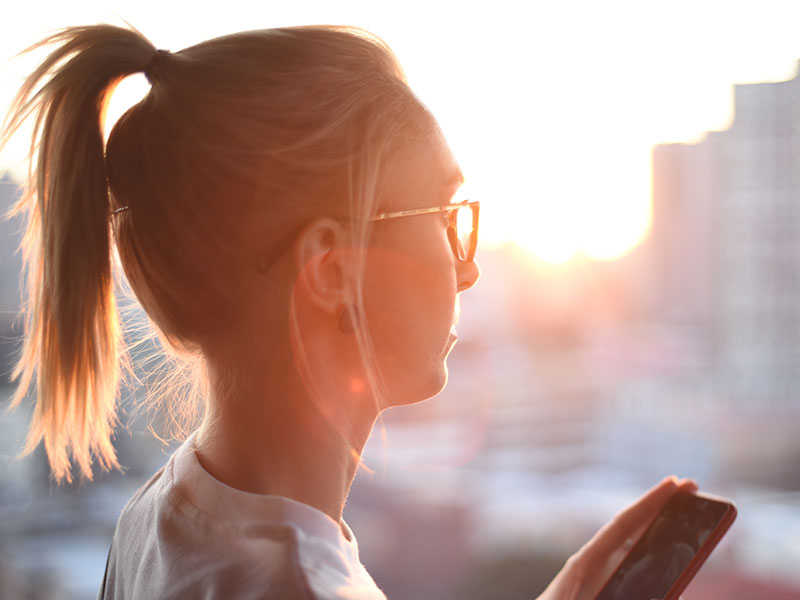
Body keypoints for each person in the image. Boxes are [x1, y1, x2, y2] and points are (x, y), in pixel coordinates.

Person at [1, 23, 696, 599]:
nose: (469, 268)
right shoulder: (304, 585)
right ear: (333, 271)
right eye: (443, 215)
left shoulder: (159, 517)